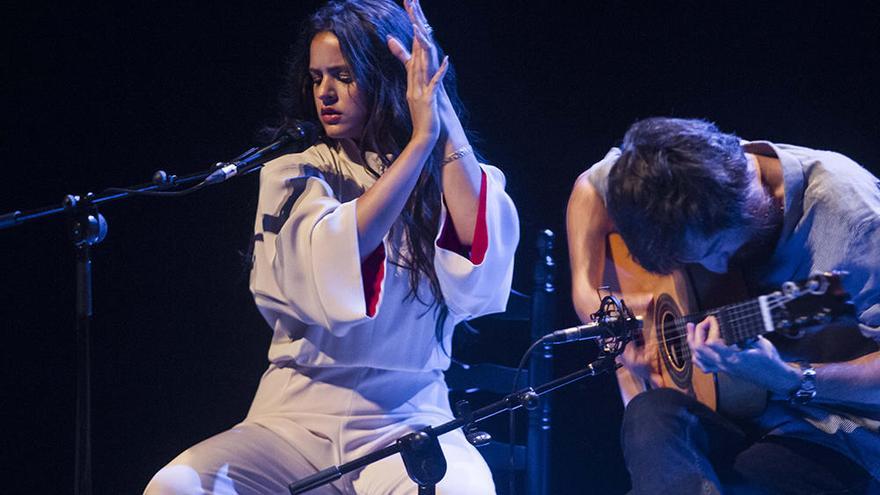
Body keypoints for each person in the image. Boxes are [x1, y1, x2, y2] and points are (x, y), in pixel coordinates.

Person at [144, 1, 518, 493]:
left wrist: (437, 109)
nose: (325, 93)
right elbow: (336, 258)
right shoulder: (296, 174)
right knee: (177, 487)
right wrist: (420, 141)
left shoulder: (451, 177)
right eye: (317, 77)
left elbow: (480, 279)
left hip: (407, 420)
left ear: (390, 79)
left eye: (344, 76)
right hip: (294, 419)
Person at [566, 117, 880, 494]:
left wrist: (793, 378)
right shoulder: (670, 178)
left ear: (744, 197)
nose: (716, 268)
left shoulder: (854, 221)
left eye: (717, 250)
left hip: (836, 433)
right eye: (696, 260)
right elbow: (589, 187)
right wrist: (586, 293)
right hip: (735, 408)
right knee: (647, 415)